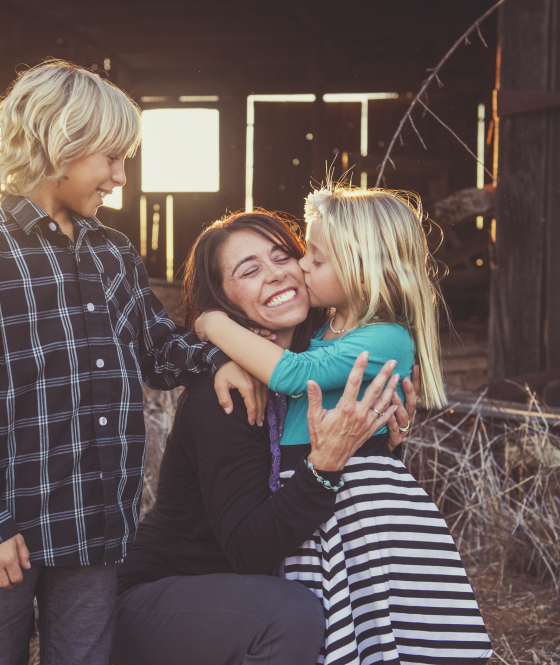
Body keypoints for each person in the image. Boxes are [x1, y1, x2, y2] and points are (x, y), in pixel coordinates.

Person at [0, 60, 264, 665]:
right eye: (111, 159)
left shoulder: (114, 252)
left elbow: (157, 348)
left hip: (96, 521)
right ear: (61, 144)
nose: (120, 178)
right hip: (7, 530)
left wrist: (217, 360)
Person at [195, 190, 493, 663]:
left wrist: (209, 323)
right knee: (333, 624)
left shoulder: (386, 337)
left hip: (359, 506)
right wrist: (219, 358)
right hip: (315, 502)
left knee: (378, 626)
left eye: (316, 258)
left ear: (360, 267)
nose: (302, 268)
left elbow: (291, 375)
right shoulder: (322, 332)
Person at [112, 212, 419, 665]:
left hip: (249, 599)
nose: (275, 273)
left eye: (284, 256)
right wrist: (326, 466)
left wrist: (379, 445)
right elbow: (248, 551)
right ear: (224, 300)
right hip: (164, 599)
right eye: (249, 270)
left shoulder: (320, 367)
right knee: (292, 614)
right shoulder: (226, 395)